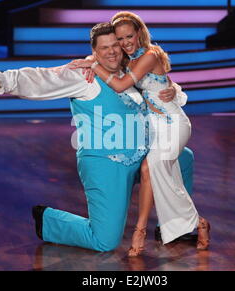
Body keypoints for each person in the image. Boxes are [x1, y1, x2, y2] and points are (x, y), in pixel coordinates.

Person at [0, 22, 195, 252]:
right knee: (105, 241)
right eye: (104, 47)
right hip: (105, 163)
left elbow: (157, 82)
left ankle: (174, 226)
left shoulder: (128, 69)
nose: (112, 51)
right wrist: (2, 81)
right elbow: (44, 77)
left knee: (183, 157)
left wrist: (173, 92)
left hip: (139, 156)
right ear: (94, 51)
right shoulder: (83, 75)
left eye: (115, 45)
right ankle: (48, 221)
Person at [68, 11, 211, 256]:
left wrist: (93, 65)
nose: (125, 43)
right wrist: (90, 62)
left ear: (139, 33)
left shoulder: (150, 54)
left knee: (149, 168)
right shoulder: (128, 60)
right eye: (120, 39)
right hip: (154, 128)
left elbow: (123, 85)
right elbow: (107, 57)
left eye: (129, 36)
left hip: (174, 124)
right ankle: (199, 223)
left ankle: (140, 231)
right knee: (165, 177)